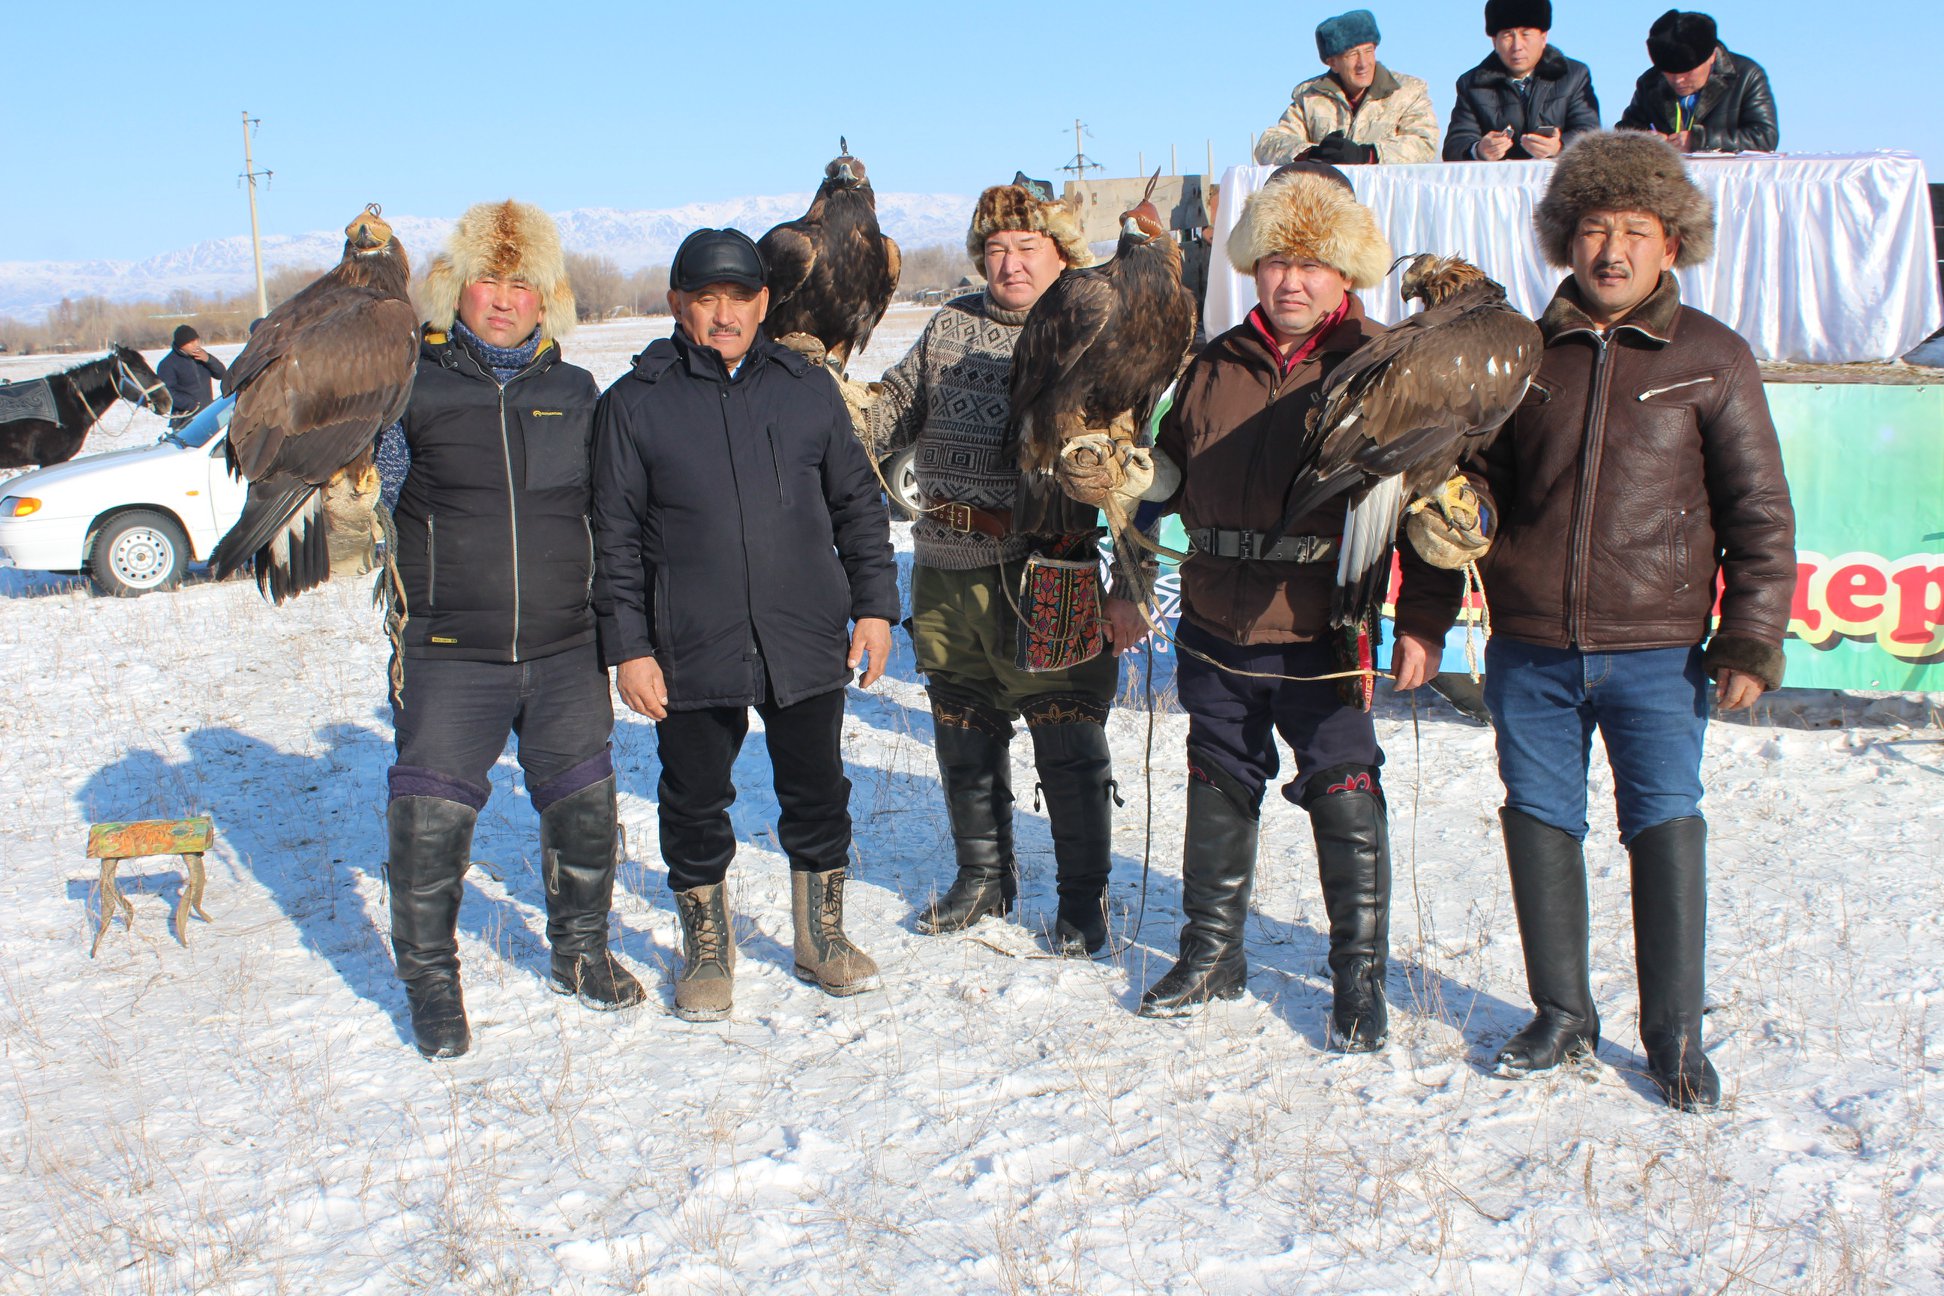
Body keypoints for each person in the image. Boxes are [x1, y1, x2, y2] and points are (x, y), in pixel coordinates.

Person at [1471, 132, 1795, 1110]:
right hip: (1529, 645)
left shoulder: (1712, 357)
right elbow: (1482, 480)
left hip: (1658, 654)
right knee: (1539, 820)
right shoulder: (1523, 354)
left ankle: (1676, 1039)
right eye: (1594, 230)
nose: (1612, 251)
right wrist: (1462, 512)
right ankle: (1563, 1014)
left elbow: (1759, 512)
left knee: (1663, 825)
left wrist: (1753, 634)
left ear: (1671, 244)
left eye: (1635, 232)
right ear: (1566, 239)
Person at [1138, 164, 1462, 1049]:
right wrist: (1129, 480)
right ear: (1252, 266)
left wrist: (1426, 621)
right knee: (1217, 774)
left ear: (1347, 274)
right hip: (1214, 615)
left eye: (1313, 264)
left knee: (1342, 788)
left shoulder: (1387, 364)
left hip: (1327, 624)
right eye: (1277, 260)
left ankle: (1358, 980)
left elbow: (1433, 509)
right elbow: (1166, 477)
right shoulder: (1212, 364)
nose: (1292, 280)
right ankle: (1212, 954)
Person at [592, 227, 898, 1023]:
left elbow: (858, 505)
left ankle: (820, 938)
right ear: (677, 305)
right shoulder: (635, 403)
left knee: (818, 790)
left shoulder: (804, 388)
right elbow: (614, 539)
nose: (723, 315)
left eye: (739, 298)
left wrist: (873, 605)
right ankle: (706, 948)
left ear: (764, 303)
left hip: (802, 632)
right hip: (688, 641)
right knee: (694, 798)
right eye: (705, 299)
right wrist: (629, 648)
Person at [375, 200, 642, 1062]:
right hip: (452, 651)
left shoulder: (575, 390)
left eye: (522, 283)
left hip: (566, 649)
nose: (504, 298)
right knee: (428, 823)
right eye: (488, 279)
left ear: (546, 297)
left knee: (586, 808)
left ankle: (581, 952)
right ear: (457, 286)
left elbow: (612, 516)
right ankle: (432, 985)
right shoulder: (410, 385)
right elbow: (362, 500)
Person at [858, 177, 1148, 958]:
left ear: (1060, 253)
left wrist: (1129, 587)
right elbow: (890, 415)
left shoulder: (1096, 335)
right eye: (995, 250)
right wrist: (833, 397)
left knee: (1067, 740)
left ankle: (1082, 901)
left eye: (1027, 248)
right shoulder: (949, 326)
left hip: (1046, 568)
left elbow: (1135, 481)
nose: (1010, 264)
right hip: (947, 565)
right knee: (962, 728)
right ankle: (983, 876)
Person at [1251, 10, 1439, 167]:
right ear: (1332, 63)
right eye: (1352, 55)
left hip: (1387, 205)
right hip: (1331, 205)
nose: (1363, 63)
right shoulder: (1310, 98)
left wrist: (1367, 155)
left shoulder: (1408, 92)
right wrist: (1311, 154)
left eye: (1368, 51)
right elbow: (1267, 144)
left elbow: (1424, 144)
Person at [1444, 0, 1601, 162]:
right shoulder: (1472, 84)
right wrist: (1478, 150)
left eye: (1526, 34)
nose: (1517, 46)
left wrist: (1559, 146)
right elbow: (1455, 145)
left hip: (1559, 183)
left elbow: (1590, 133)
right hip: (1498, 184)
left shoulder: (1573, 75)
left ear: (1543, 37)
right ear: (1494, 42)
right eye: (1507, 35)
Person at [1617, 10, 1778, 153]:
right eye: (1669, 73)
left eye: (1688, 72)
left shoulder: (1747, 75)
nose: (1678, 80)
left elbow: (1765, 137)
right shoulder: (1650, 82)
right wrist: (1643, 140)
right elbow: (1622, 133)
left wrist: (1699, 140)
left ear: (1712, 57)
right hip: (1667, 181)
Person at [157, 324, 226, 429]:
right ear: (181, 345)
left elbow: (221, 374)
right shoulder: (167, 364)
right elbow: (167, 392)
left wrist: (208, 360)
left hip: (208, 415)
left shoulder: (202, 357)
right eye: (190, 342)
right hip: (185, 419)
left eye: (196, 340)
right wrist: (191, 405)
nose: (195, 345)